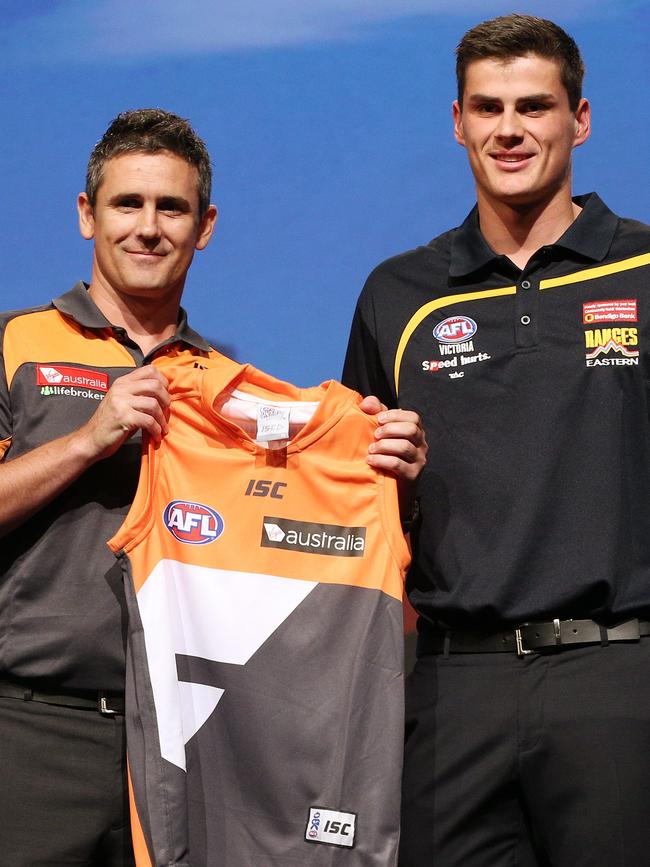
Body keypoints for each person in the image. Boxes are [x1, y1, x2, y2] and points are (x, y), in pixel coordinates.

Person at [0, 108, 425, 866]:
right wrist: (86, 441)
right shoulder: (17, 343)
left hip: (186, 744)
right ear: (85, 214)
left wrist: (386, 464)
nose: (148, 227)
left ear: (206, 225)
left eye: (172, 208)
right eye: (127, 203)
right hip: (35, 728)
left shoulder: (228, 392)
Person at [343, 13, 650, 867]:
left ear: (579, 120)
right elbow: (354, 509)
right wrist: (392, 477)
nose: (508, 130)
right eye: (487, 108)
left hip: (620, 675)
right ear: (457, 122)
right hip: (450, 689)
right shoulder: (397, 292)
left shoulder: (644, 268)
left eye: (534, 106)